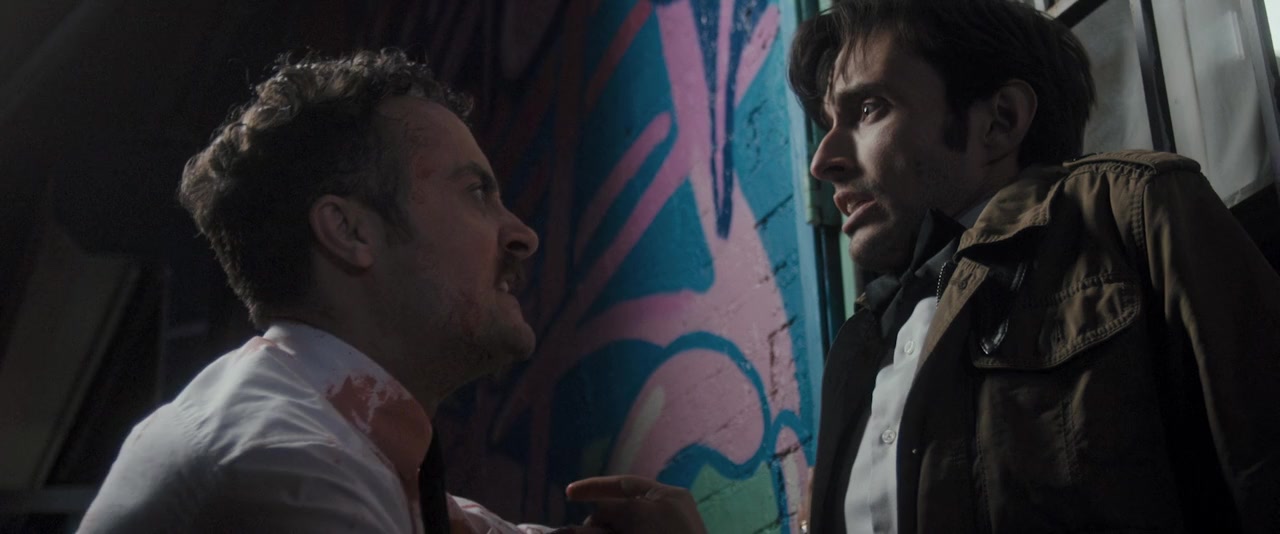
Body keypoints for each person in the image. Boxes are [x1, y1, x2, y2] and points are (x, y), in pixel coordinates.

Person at [79, 50, 703, 534]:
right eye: (476, 193)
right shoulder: (284, 465)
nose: (523, 235)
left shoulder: (333, 441)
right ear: (350, 232)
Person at [787, 0, 1280, 533]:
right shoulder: (868, 339)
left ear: (1000, 121)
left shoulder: (1129, 213)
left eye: (868, 109)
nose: (823, 161)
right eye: (828, 122)